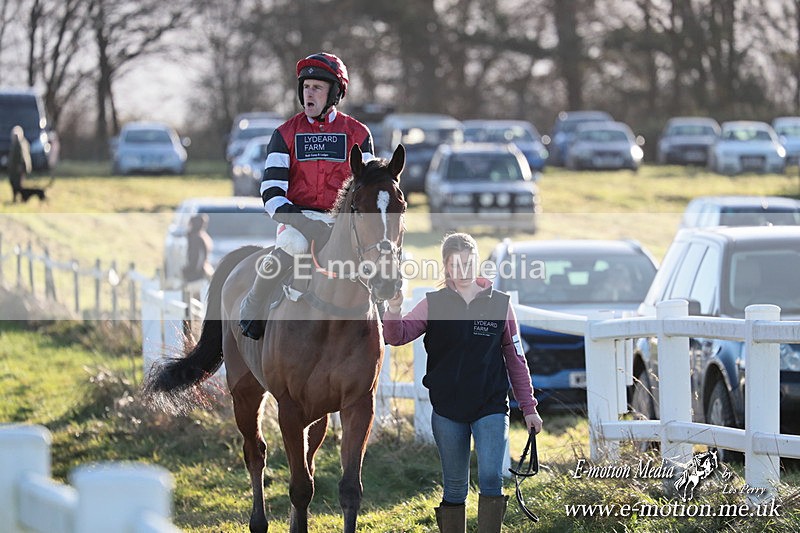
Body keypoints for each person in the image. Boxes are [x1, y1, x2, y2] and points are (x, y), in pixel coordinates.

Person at [383, 233, 543, 533]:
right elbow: (396, 336)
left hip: (491, 406)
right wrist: (393, 309)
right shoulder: (433, 304)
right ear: (446, 266)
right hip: (447, 410)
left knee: (491, 479)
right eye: (456, 264)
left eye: (469, 262)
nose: (464, 269)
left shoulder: (501, 305)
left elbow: (516, 359)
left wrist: (529, 407)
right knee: (455, 488)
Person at [239, 52, 374, 339]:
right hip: (301, 220)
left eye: (317, 87)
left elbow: (368, 190)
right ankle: (254, 304)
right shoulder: (284, 134)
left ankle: (382, 314)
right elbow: (272, 193)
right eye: (305, 86)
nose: (308, 93)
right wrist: (303, 223)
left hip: (345, 222)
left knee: (374, 254)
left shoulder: (359, 134)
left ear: (335, 93)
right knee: (291, 243)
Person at [182, 213, 214, 298]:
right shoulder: (204, 237)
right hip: (203, 274)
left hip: (196, 277)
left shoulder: (196, 238)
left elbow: (196, 260)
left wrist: (187, 271)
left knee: (194, 305)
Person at [8, 125, 32, 202]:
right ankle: (20, 199)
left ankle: (19, 199)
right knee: (18, 184)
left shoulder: (19, 144)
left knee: (17, 184)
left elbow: (21, 156)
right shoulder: (23, 142)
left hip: (18, 169)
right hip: (19, 168)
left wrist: (20, 166)